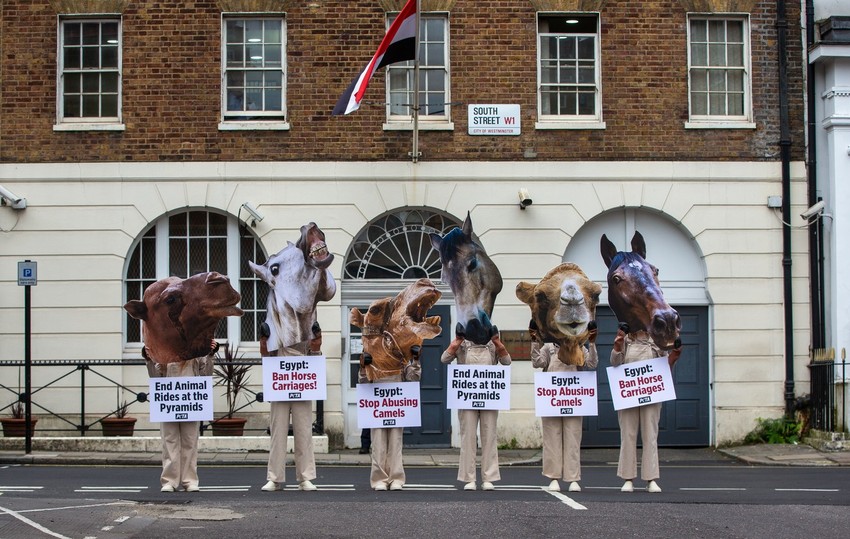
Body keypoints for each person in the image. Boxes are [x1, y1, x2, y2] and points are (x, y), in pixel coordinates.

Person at [611, 323, 682, 493]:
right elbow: (614, 363)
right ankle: (628, 478)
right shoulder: (627, 339)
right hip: (628, 394)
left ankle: (651, 479)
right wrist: (618, 345)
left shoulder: (658, 341)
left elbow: (666, 367)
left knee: (651, 435)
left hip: (652, 393)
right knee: (627, 435)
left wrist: (674, 355)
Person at [530, 322, 598, 493]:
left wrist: (593, 342)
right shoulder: (548, 347)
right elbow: (538, 363)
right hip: (551, 400)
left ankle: (573, 478)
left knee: (573, 439)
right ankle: (553, 477)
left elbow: (591, 364)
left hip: (573, 400)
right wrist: (534, 341)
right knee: (551, 439)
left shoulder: (579, 347)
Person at [441, 332, 511, 491]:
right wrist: (456, 342)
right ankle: (469, 478)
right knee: (468, 437)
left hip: (489, 397)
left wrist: (498, 343)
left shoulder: (492, 344)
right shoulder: (463, 344)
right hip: (467, 398)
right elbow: (444, 359)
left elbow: (507, 362)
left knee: (490, 436)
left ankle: (489, 477)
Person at [145, 340, 217, 493]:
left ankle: (189, 480)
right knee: (169, 440)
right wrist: (149, 359)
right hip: (169, 400)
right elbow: (155, 377)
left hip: (191, 400)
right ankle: (169, 481)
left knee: (189, 440)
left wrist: (210, 355)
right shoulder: (164, 347)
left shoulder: (196, 348)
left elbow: (206, 374)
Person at [262, 325, 322, 492]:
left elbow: (315, 356)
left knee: (304, 432)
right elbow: (267, 356)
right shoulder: (275, 324)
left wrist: (317, 343)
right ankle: (274, 478)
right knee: (277, 433)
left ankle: (305, 477)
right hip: (281, 382)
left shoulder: (307, 322)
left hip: (301, 383)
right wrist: (264, 340)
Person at [360, 349, 421, 491]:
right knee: (378, 443)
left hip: (395, 402)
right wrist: (363, 367)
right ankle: (379, 479)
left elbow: (413, 378)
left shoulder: (400, 354)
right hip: (378, 403)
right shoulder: (371, 351)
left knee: (396, 442)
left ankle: (396, 478)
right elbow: (363, 381)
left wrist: (416, 361)